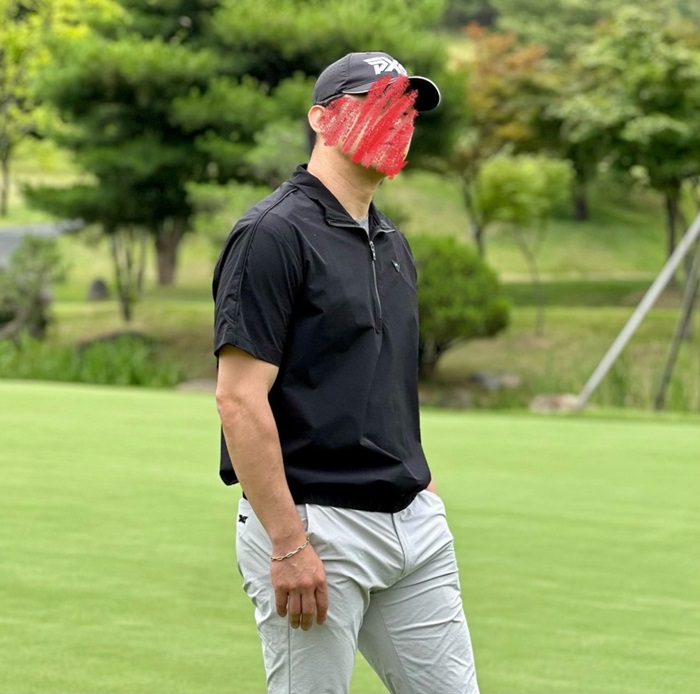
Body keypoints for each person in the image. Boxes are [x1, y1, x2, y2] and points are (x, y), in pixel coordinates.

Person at [213, 51, 479, 694]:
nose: (398, 121)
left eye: (406, 110)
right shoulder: (272, 234)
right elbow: (239, 399)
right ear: (321, 119)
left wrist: (421, 485)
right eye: (376, 103)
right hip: (316, 527)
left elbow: (381, 381)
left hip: (412, 523)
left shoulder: (391, 242)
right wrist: (287, 542)